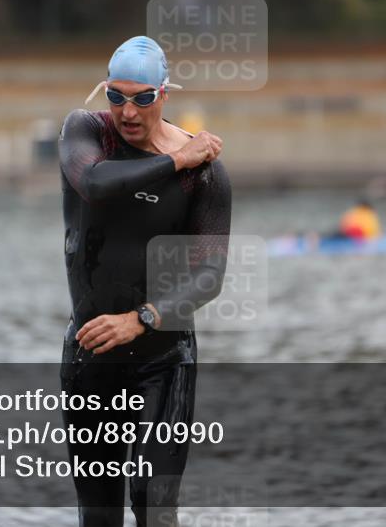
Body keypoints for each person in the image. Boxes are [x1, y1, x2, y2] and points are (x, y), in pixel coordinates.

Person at [57, 35, 232, 527]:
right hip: (91, 356)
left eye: (142, 99)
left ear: (163, 96)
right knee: (100, 517)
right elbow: (94, 184)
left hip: (165, 358)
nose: (127, 112)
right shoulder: (86, 132)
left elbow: (210, 275)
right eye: (116, 96)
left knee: (153, 507)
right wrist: (177, 159)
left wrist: (142, 319)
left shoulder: (206, 175)